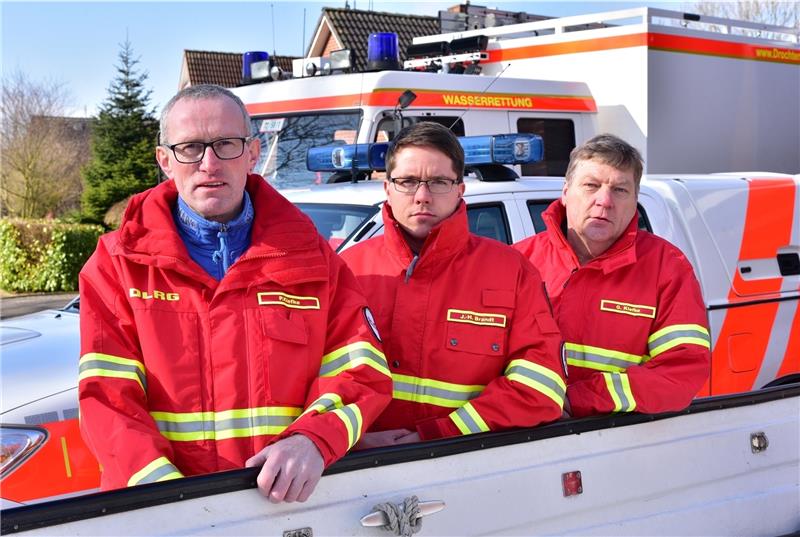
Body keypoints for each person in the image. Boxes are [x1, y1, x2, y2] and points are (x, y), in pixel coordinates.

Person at [78, 84, 391, 503]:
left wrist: (314, 440)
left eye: (225, 144)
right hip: (160, 514)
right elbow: (106, 399)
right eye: (190, 147)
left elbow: (361, 371)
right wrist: (162, 497)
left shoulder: (313, 260)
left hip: (286, 507)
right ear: (165, 160)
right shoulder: (116, 264)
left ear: (252, 153)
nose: (209, 163)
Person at [340, 122, 565, 447]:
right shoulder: (347, 270)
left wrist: (442, 433)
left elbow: (541, 388)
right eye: (407, 181)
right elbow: (316, 378)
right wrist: (347, 437)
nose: (422, 196)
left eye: (438, 182)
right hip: (358, 467)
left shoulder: (512, 271)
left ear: (460, 189)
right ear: (387, 188)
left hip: (468, 462)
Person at [514, 134, 710, 417]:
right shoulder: (518, 262)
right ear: (566, 192)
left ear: (635, 201)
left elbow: (681, 371)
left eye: (620, 190)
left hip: (617, 443)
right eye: (591, 186)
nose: (604, 201)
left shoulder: (667, 267)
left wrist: (577, 400)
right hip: (517, 441)